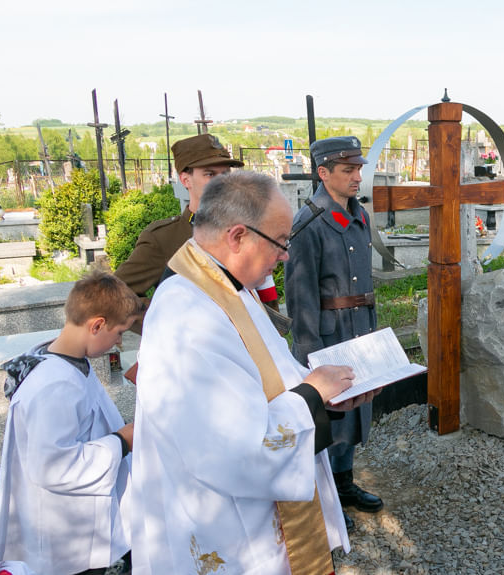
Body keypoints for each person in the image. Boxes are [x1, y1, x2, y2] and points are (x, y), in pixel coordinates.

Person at [131, 171, 372, 573]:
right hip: (229, 531)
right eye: (281, 241)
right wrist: (312, 394)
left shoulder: (227, 286)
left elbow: (270, 376)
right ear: (238, 236)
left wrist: (330, 399)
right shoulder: (188, 315)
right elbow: (236, 445)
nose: (286, 255)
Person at [0, 272, 142, 575]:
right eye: (119, 333)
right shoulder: (54, 385)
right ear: (97, 324)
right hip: (73, 541)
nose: (118, 343)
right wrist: (123, 440)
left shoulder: (67, 361)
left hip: (89, 522)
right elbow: (52, 466)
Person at [284, 136, 382, 531]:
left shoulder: (359, 216)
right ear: (323, 173)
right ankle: (322, 501)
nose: (358, 176)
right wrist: (310, 353)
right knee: (327, 419)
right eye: (348, 170)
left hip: (359, 329)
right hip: (328, 333)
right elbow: (300, 294)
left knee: (355, 410)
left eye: (358, 168)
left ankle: (343, 484)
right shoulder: (308, 224)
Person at [114, 133, 243, 318]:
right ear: (185, 180)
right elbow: (116, 296)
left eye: (225, 174)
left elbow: (263, 298)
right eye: (210, 174)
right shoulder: (163, 238)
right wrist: (166, 321)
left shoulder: (245, 230)